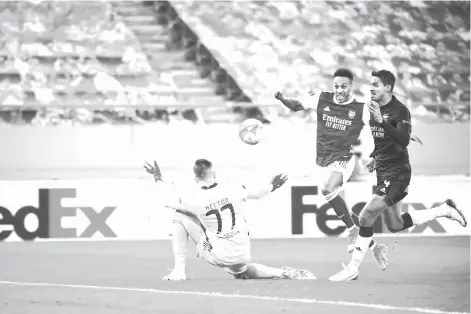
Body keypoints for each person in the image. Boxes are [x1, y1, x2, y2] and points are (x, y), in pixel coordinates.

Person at [328, 70, 468, 282]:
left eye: (375, 84)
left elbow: (402, 140)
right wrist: (375, 156)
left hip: (398, 172)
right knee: (394, 224)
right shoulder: (372, 107)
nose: (371, 87)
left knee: (366, 216)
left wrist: (381, 122)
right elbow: (384, 139)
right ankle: (444, 209)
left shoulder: (400, 110)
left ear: (388, 88)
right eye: (370, 83)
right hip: (384, 169)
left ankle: (352, 268)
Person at [275, 68, 389, 270]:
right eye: (336, 86)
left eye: (343, 86)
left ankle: (353, 231)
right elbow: (297, 106)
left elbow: (381, 129)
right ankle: (375, 247)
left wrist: (377, 154)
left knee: (327, 190)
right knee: (343, 208)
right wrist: (283, 99)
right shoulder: (321, 98)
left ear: (351, 86)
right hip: (324, 161)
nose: (339, 90)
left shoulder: (361, 108)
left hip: (344, 158)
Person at [144, 159, 317, 281]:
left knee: (179, 215)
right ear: (214, 173)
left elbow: (167, 199)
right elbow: (258, 194)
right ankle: (283, 273)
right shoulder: (233, 188)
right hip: (243, 252)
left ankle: (178, 271)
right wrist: (274, 184)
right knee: (241, 272)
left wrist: (158, 177)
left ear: (196, 178)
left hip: (219, 255)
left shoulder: (194, 199)